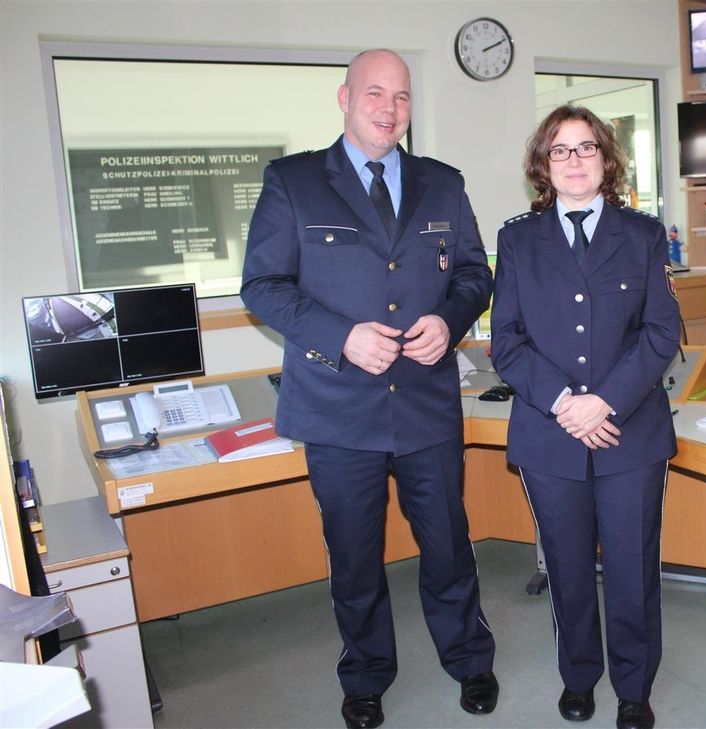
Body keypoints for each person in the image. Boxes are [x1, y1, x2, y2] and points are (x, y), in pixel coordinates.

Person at [241, 49, 498, 729]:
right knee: (355, 557)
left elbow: (474, 273)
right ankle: (365, 675)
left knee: (447, 543)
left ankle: (470, 658)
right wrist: (340, 334)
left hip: (425, 404)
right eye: (375, 94)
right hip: (337, 407)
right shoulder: (293, 182)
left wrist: (450, 318)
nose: (389, 109)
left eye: (402, 97)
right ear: (345, 97)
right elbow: (262, 287)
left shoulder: (442, 183)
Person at [490, 106, 680, 729]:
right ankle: (579, 677)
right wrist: (568, 404)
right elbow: (507, 341)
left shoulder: (645, 234)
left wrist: (606, 401)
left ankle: (633, 686)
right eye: (560, 150)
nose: (573, 160)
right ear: (543, 165)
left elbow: (661, 333)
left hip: (630, 431)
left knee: (630, 567)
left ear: (606, 159)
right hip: (551, 433)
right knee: (567, 567)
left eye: (586, 148)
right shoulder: (518, 238)